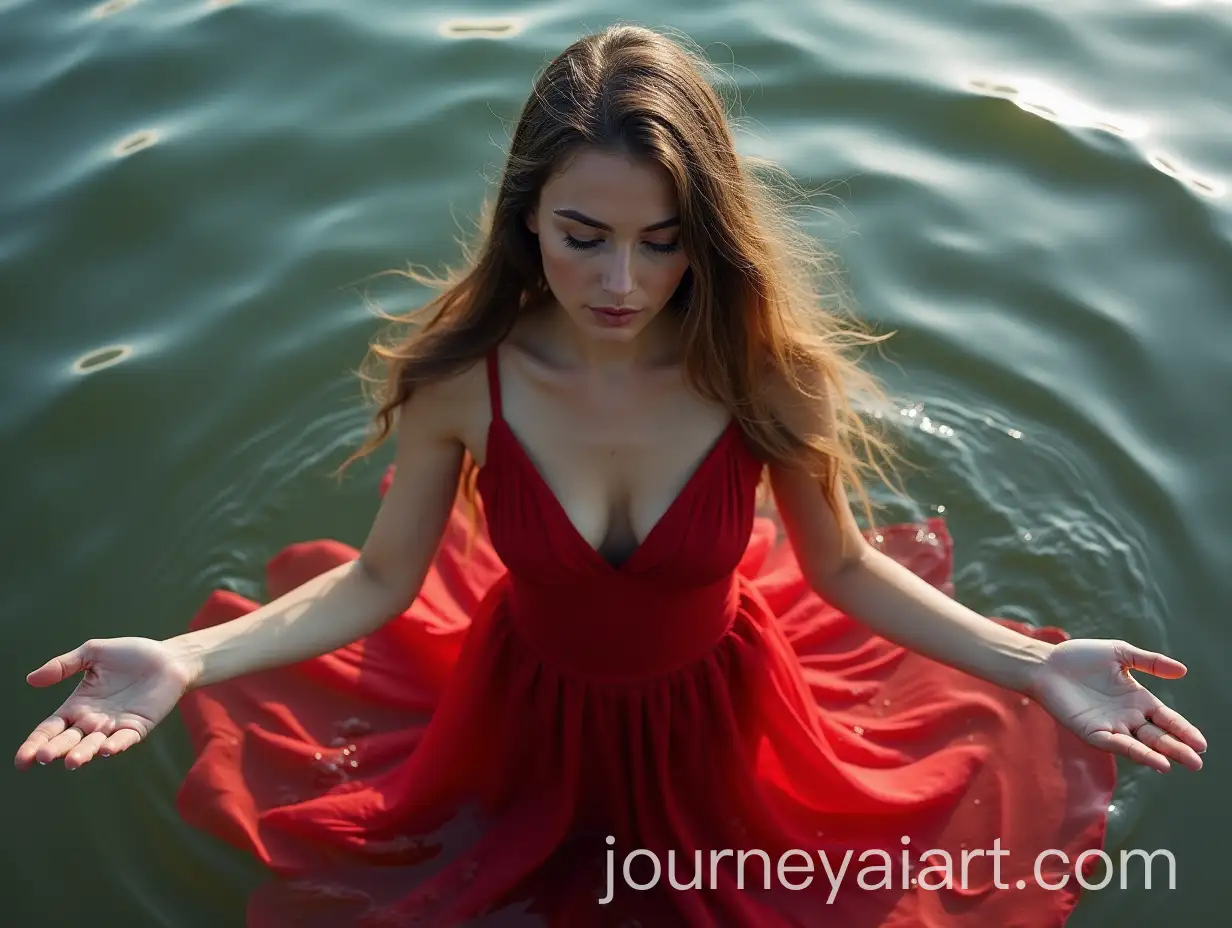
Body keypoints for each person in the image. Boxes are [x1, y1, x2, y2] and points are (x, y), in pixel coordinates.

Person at [15, 24, 1206, 928]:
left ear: (708, 231)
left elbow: (840, 565)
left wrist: (1032, 664)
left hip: (728, 708)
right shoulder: (461, 383)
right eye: (583, 234)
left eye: (663, 238)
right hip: (518, 705)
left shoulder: (765, 378)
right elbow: (379, 581)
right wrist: (182, 661)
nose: (622, 282)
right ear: (525, 219)